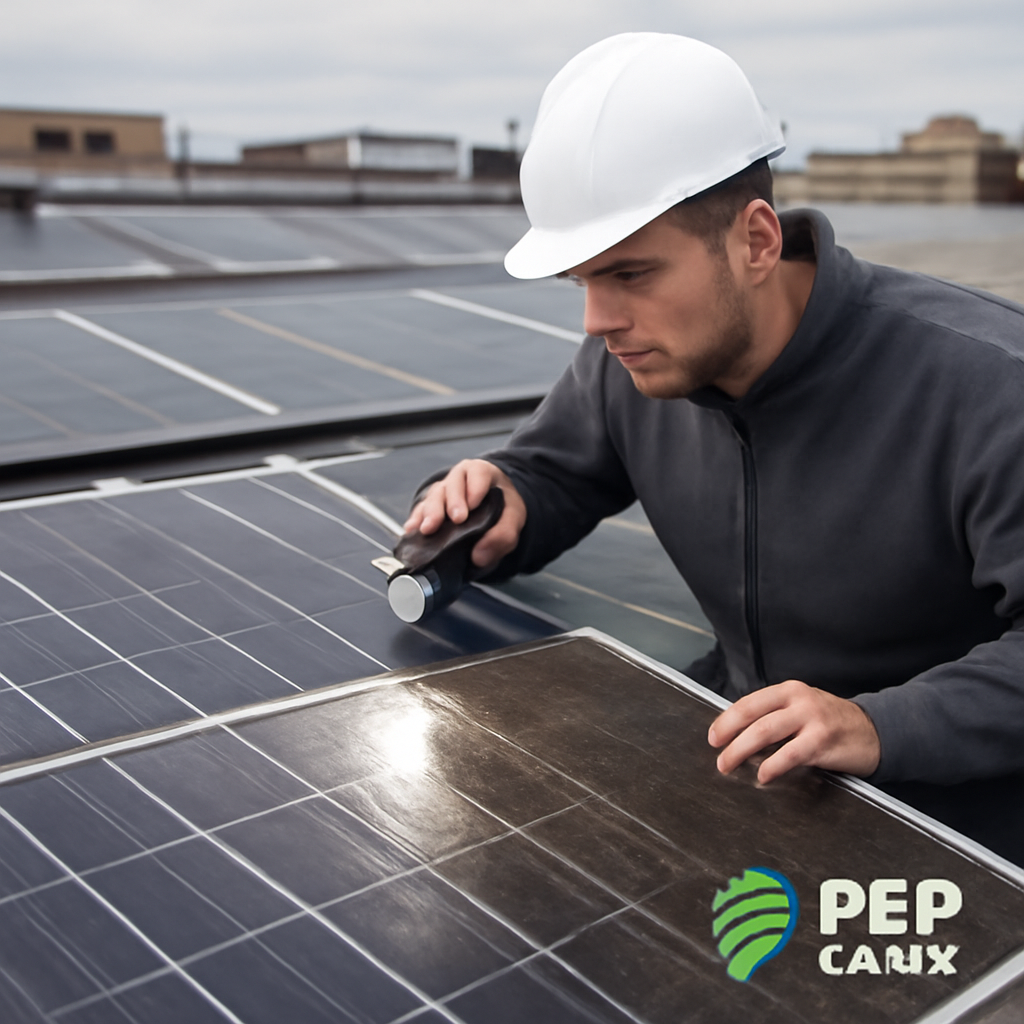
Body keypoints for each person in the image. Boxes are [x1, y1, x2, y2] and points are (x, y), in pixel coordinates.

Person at [404, 33, 1024, 864]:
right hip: (749, 769)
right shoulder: (631, 361)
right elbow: (550, 473)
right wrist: (503, 495)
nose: (597, 321)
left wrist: (879, 723)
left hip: (961, 829)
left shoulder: (990, 387)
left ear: (757, 241)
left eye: (631, 274)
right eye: (581, 281)